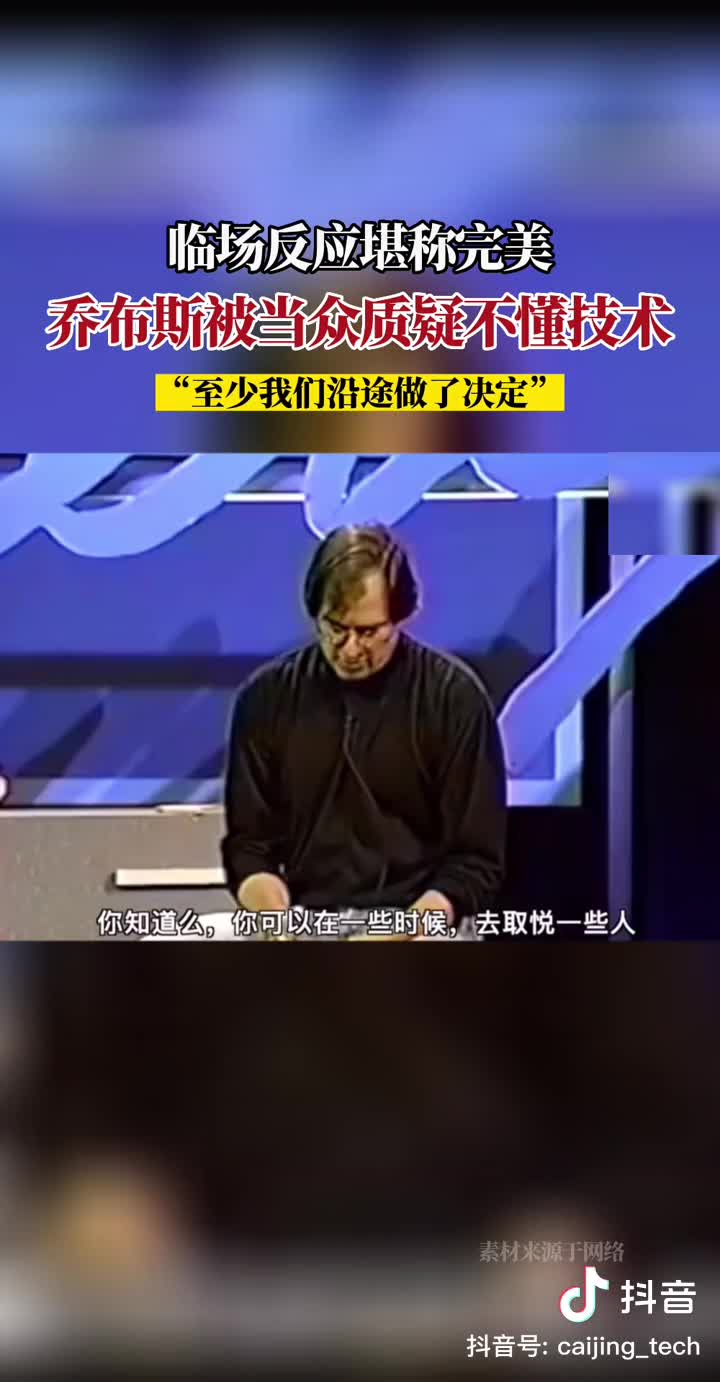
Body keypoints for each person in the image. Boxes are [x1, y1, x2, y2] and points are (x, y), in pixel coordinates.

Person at [221, 524, 506, 932]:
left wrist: (398, 933)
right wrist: (274, 917)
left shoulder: (453, 698)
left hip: (418, 920)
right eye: (336, 628)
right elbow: (249, 848)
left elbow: (475, 864)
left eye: (368, 632)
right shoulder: (266, 698)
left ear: (400, 617)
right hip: (308, 920)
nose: (350, 649)